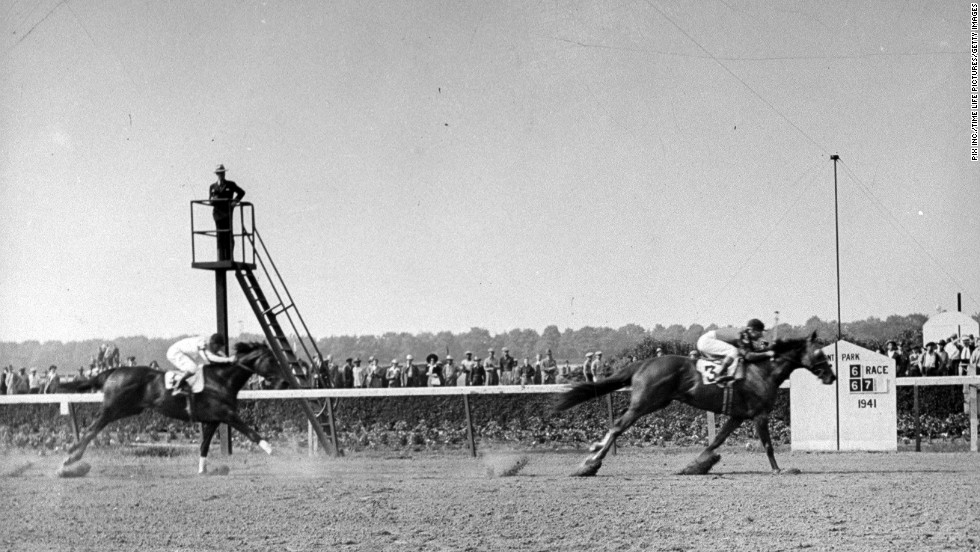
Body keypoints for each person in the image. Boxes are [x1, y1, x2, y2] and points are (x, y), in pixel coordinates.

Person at [696, 318, 772, 383]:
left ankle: (724, 375)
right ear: (751, 330)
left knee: (735, 354)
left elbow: (751, 352)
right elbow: (748, 356)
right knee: (733, 351)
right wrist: (767, 353)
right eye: (759, 332)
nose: (761, 335)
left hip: (707, 341)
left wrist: (763, 349)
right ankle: (719, 374)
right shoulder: (742, 336)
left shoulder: (746, 335)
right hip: (706, 341)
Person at [166, 333, 237, 396]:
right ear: (213, 343)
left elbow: (219, 355)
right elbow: (210, 358)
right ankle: (177, 385)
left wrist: (228, 360)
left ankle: (181, 381)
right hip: (175, 352)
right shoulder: (203, 344)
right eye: (218, 347)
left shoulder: (209, 344)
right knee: (192, 368)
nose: (218, 349)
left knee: (197, 369)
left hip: (184, 353)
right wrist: (228, 359)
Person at [209, 164, 246, 261]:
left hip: (228, 212)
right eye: (220, 173)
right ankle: (220, 257)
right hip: (217, 214)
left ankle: (229, 257)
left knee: (228, 234)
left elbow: (241, 192)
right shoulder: (212, 187)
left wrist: (235, 201)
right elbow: (210, 200)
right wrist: (213, 200)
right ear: (217, 174)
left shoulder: (230, 184)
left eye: (223, 173)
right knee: (220, 235)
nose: (222, 174)